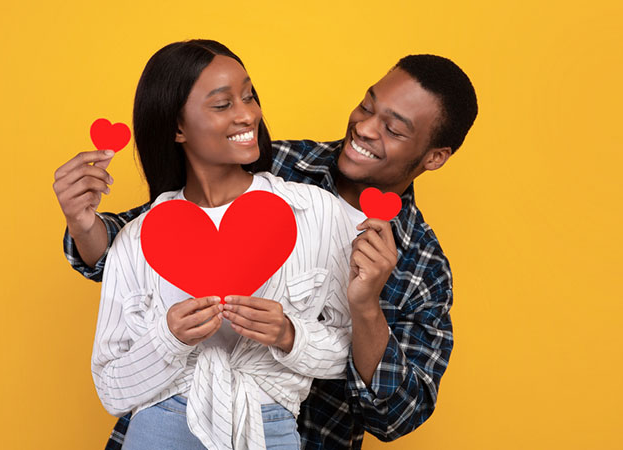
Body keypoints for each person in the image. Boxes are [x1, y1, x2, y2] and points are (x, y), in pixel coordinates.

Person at [54, 52, 478, 449]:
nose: (366, 128)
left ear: (435, 157)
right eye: (367, 107)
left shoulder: (424, 268)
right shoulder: (272, 161)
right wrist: (84, 223)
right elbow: (149, 238)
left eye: (394, 128)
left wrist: (364, 308)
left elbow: (395, 416)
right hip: (166, 421)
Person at [81, 40, 357, 450]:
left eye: (248, 96)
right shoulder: (138, 238)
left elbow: (348, 353)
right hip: (159, 428)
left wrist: (289, 334)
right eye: (223, 104)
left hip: (269, 428)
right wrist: (168, 338)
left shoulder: (316, 213)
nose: (248, 114)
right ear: (177, 127)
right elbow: (110, 389)